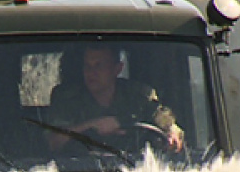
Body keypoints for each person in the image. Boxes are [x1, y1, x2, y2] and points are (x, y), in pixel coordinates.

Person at [44, 44, 184, 153]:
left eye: (99, 66)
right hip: (79, 170)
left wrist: (172, 133)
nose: (91, 73)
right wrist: (93, 125)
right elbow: (54, 142)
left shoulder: (140, 95)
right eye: (87, 66)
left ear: (117, 69)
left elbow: (166, 123)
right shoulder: (67, 99)